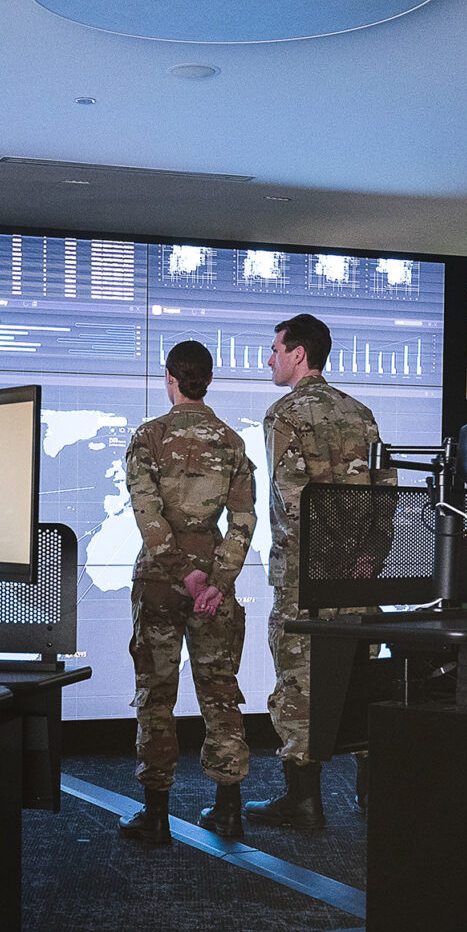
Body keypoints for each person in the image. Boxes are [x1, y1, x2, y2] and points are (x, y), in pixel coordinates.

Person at [251, 313, 386, 829]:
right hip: (361, 574)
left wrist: (323, 563)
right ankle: (373, 796)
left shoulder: (284, 414)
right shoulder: (362, 413)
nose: (270, 358)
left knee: (298, 679)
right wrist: (366, 556)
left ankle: (303, 801)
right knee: (359, 676)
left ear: (299, 353)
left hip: (306, 577)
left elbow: (295, 503)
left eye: (275, 349)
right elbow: (385, 495)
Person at [120, 340, 257, 844]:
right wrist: (216, 581)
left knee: (156, 696)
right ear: (209, 379)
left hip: (159, 582)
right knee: (220, 690)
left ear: (170, 378)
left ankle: (155, 815)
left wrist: (183, 572)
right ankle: (228, 811)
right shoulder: (231, 442)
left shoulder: (149, 437)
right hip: (214, 589)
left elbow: (147, 514)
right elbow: (244, 520)